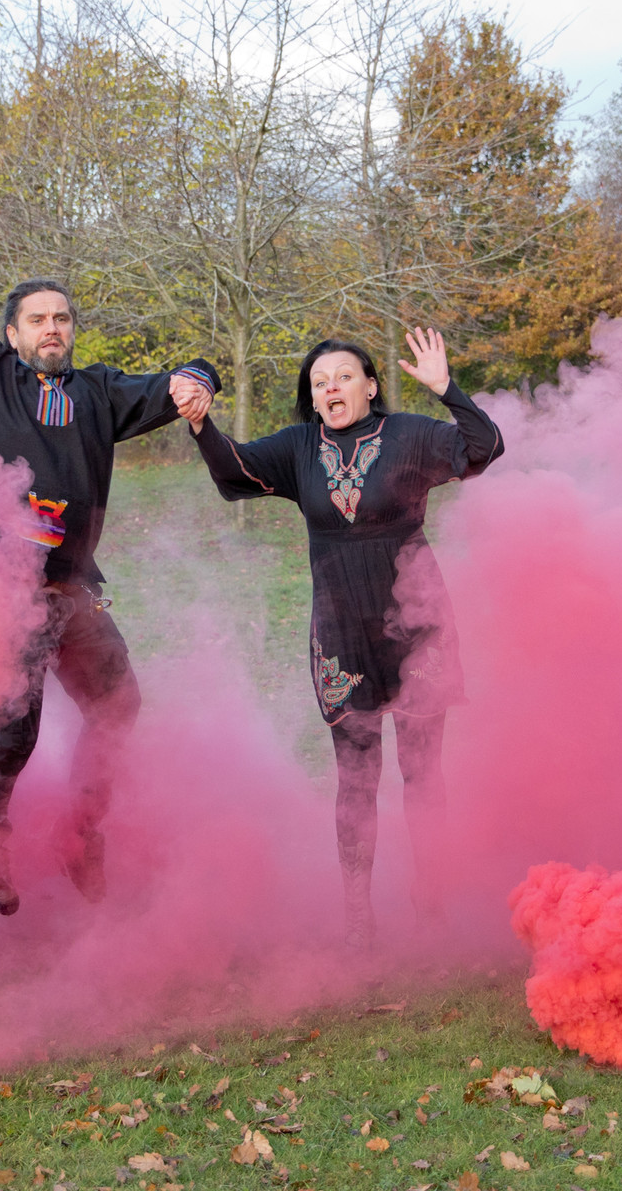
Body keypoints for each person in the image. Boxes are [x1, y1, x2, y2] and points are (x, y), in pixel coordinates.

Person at [0, 146, 220, 917]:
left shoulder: (99, 392)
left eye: (62, 319)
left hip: (73, 592)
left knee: (119, 710)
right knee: (14, 732)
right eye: (38, 320)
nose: (52, 329)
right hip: (1, 596)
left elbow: (180, 375)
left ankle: (83, 837)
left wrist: (199, 380)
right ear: (13, 333)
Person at [177, 329, 502, 949]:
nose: (331, 386)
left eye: (345, 376)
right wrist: (202, 424)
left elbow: (483, 449)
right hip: (341, 630)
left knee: (421, 773)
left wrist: (446, 389)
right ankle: (358, 917)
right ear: (312, 395)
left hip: (417, 624)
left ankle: (430, 904)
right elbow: (234, 472)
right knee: (356, 778)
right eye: (320, 380)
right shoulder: (300, 447)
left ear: (370, 386)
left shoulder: (409, 434)